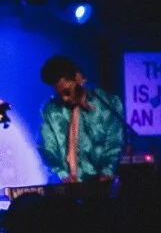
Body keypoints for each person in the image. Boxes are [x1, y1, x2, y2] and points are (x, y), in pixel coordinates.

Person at [38, 55, 130, 184]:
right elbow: (46, 149)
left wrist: (106, 172)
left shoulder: (107, 104)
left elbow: (114, 143)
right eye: (60, 94)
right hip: (64, 187)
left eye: (67, 92)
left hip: (99, 185)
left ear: (78, 79)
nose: (64, 98)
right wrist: (62, 175)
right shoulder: (50, 110)